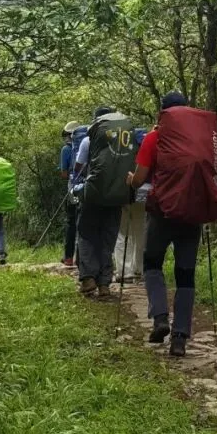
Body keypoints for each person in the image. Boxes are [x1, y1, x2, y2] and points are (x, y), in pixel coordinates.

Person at [130, 92, 199, 358]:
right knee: (185, 275)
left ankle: (160, 318)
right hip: (192, 213)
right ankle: (180, 338)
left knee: (152, 264)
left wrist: (130, 180)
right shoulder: (198, 139)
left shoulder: (153, 138)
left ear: (163, 113)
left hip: (161, 213)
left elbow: (139, 179)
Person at [74, 105, 133, 299]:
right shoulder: (125, 141)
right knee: (107, 239)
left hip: (94, 195)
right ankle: (104, 284)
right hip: (117, 196)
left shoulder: (88, 140)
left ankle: (88, 278)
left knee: (87, 235)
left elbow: (78, 167)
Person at [114, 126, 149, 284]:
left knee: (122, 232)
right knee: (140, 232)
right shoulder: (148, 149)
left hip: (124, 194)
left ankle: (124, 272)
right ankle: (139, 269)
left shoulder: (123, 149)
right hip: (143, 195)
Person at [60, 122, 81, 267]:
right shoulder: (88, 144)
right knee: (84, 222)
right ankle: (80, 258)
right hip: (88, 188)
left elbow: (64, 174)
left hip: (73, 188)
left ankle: (68, 258)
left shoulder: (66, 149)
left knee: (71, 221)